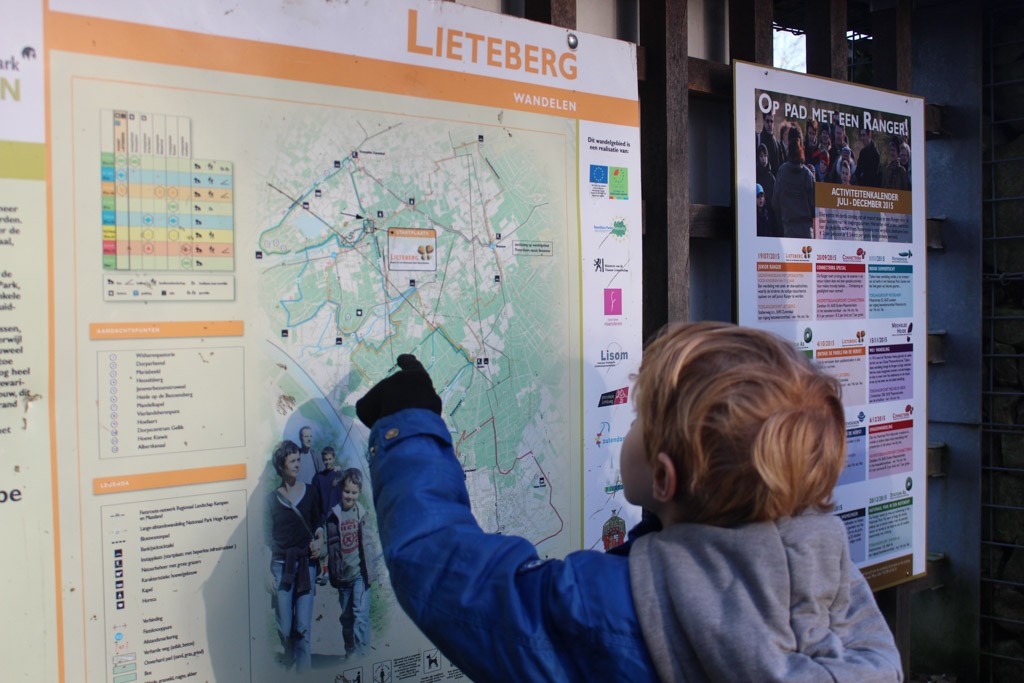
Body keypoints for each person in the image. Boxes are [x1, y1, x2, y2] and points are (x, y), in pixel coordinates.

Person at [353, 339, 903, 682]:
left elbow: (449, 577)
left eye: (639, 420)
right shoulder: (836, 587)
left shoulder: (613, 610)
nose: (629, 428)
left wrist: (409, 424)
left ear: (663, 478)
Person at [267, 440, 324, 672]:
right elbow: (265, 537)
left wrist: (319, 540)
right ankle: (289, 651)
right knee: (285, 627)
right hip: (281, 567)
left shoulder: (310, 492)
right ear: (281, 465)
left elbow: (318, 523)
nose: (297, 464)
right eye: (292, 461)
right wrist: (265, 571)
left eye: (299, 459)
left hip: (306, 566)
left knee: (303, 629)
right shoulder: (271, 500)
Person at [325, 467, 380, 660]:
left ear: (359, 493)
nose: (350, 496)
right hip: (343, 577)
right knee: (347, 618)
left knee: (361, 615)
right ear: (341, 490)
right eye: (346, 491)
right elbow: (329, 547)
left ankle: (364, 657)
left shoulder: (362, 515)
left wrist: (374, 571)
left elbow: (370, 544)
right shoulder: (333, 517)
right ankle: (350, 648)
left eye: (354, 492)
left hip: (360, 575)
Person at [772, 126, 817, 239]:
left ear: (788, 142)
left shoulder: (782, 172)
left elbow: (775, 203)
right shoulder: (808, 175)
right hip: (806, 234)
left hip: (788, 232)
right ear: (801, 144)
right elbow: (815, 208)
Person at [757, 109, 784, 175]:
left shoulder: (777, 144)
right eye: (767, 121)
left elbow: (781, 167)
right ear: (763, 121)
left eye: (771, 121)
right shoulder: (758, 139)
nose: (770, 124)